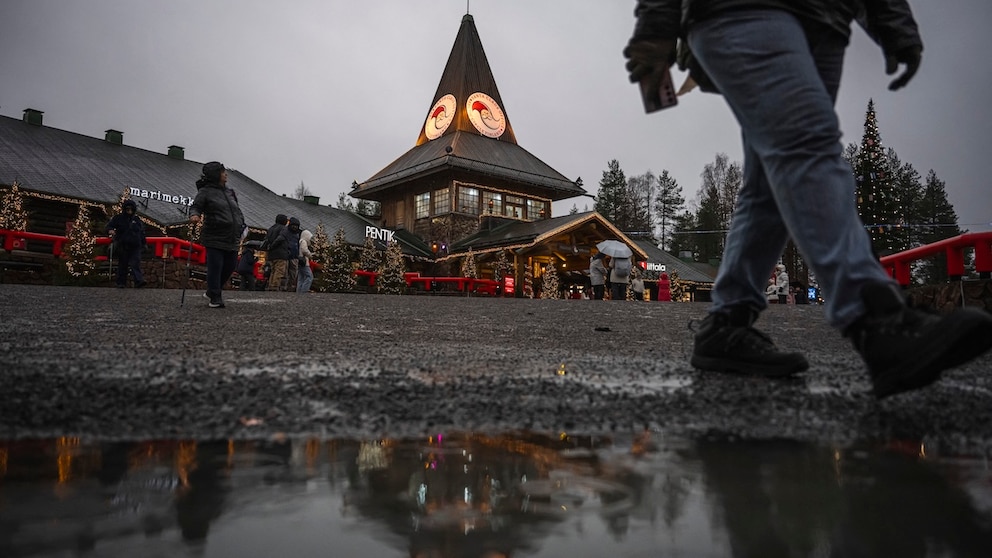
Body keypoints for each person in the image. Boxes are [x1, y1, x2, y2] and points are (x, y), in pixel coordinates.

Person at [625, 0, 992, 397]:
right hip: (742, 9)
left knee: (767, 181)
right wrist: (655, 28)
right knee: (806, 146)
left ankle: (727, 322)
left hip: (827, 20)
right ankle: (875, 318)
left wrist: (891, 19)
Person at [189, 162, 246, 308]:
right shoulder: (205, 191)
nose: (226, 174)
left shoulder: (230, 192)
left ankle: (212, 291)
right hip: (214, 235)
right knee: (216, 266)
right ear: (215, 175)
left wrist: (241, 225)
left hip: (232, 237)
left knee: (230, 266)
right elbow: (196, 206)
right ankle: (215, 296)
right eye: (222, 172)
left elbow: (237, 211)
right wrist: (195, 215)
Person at [105, 198, 146, 288]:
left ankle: (138, 281)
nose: (129, 211)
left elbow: (142, 232)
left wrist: (144, 243)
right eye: (127, 209)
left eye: (131, 209)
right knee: (123, 264)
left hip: (135, 245)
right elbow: (109, 226)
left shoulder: (137, 219)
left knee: (135, 263)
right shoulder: (118, 218)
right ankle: (121, 282)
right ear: (124, 209)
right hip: (123, 244)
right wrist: (110, 230)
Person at [262, 214, 289, 291]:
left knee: (273, 270)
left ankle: (271, 285)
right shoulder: (284, 229)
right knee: (279, 271)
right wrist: (273, 245)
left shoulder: (271, 228)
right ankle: (275, 286)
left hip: (271, 254)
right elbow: (281, 238)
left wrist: (270, 247)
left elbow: (266, 239)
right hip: (281, 253)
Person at [283, 216, 302, 292]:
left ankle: (289, 287)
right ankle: (284, 287)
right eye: (293, 225)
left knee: (293, 273)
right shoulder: (285, 232)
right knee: (284, 273)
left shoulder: (298, 234)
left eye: (296, 226)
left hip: (294, 256)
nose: (295, 227)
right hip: (286, 256)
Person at [297, 228, 314, 293]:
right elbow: (304, 250)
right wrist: (310, 255)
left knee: (301, 278)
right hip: (304, 262)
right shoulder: (304, 241)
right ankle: (304, 291)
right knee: (309, 277)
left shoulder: (300, 241)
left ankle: (299, 292)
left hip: (300, 262)